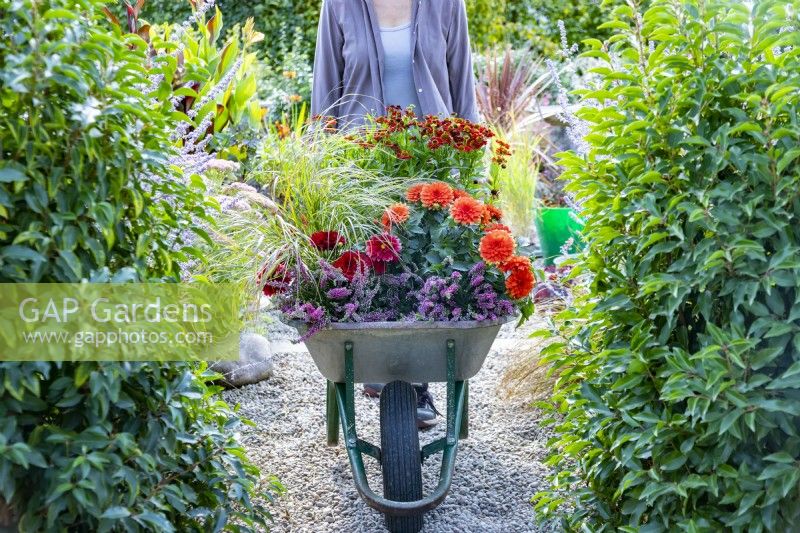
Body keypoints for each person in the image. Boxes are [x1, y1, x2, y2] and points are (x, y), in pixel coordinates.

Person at [311, 0, 479, 427]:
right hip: (361, 167)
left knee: (426, 264)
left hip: (431, 161)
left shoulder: (446, 5)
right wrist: (321, 165)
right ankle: (382, 369)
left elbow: (462, 87)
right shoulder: (340, 6)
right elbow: (325, 89)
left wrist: (471, 165)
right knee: (372, 265)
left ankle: (412, 380)